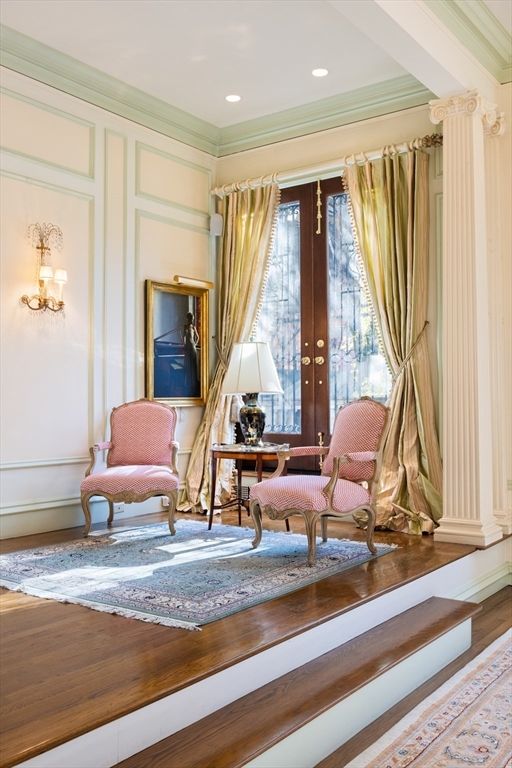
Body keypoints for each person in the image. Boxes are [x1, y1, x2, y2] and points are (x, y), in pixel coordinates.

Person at [183, 312, 200, 395]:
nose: (191, 319)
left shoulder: (193, 327)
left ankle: (194, 383)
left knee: (193, 365)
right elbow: (183, 337)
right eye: (191, 318)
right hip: (187, 348)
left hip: (192, 347)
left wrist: (195, 344)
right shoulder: (185, 327)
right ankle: (188, 383)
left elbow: (198, 337)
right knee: (188, 365)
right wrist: (184, 344)